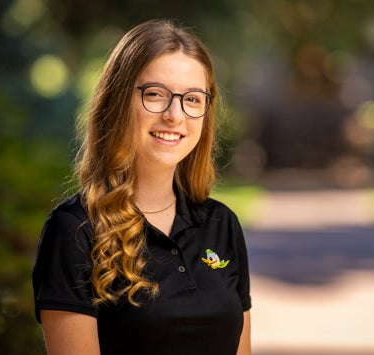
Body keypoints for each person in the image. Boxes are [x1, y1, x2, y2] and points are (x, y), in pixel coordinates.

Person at [32, 19, 251, 355]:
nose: (175, 115)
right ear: (116, 102)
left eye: (192, 99)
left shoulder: (221, 225)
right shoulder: (74, 229)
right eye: (155, 94)